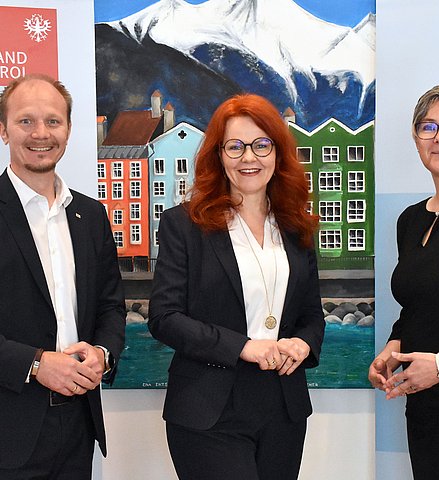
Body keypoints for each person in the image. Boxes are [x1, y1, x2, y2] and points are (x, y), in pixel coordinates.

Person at [148, 93, 325, 480]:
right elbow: (164, 317)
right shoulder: (184, 224)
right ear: (218, 154)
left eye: (262, 145)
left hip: (283, 410)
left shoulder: (297, 226)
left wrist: (304, 343)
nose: (250, 158)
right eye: (236, 146)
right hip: (208, 411)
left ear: (278, 153)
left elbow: (312, 313)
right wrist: (242, 347)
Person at [0, 74, 125, 479]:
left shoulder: (91, 215)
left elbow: (111, 307)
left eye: (53, 121)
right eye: (25, 121)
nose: (41, 133)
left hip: (79, 426)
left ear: (69, 130)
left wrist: (103, 355)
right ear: (3, 130)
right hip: (8, 431)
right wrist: (35, 364)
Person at [369, 83, 439, 479]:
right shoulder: (411, 219)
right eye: (428, 127)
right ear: (416, 139)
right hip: (427, 406)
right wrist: (394, 345)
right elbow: (419, 304)